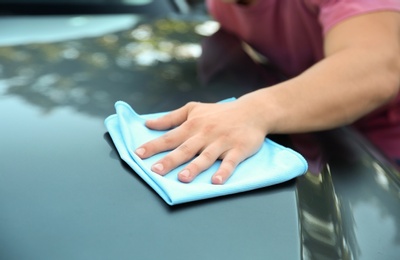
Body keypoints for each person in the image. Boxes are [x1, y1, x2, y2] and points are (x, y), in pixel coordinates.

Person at [135, 0, 400, 184]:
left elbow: (378, 66)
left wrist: (251, 111)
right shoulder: (223, 6)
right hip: (321, 140)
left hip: (386, 149)